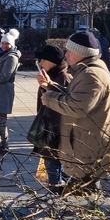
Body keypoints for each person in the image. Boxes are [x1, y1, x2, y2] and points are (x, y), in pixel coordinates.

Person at [39, 30, 110, 193]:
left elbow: (78, 107)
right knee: (80, 195)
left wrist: (49, 98)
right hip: (84, 146)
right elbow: (76, 96)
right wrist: (51, 86)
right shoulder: (86, 70)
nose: (66, 55)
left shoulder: (92, 74)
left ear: (81, 53)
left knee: (85, 197)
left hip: (88, 149)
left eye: (70, 51)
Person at [31, 44, 71, 190]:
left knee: (53, 161)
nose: (41, 63)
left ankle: (57, 189)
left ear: (53, 61)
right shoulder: (53, 75)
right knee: (51, 161)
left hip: (56, 129)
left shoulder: (63, 77)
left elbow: (64, 103)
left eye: (43, 60)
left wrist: (47, 86)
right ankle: (59, 186)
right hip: (49, 125)